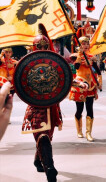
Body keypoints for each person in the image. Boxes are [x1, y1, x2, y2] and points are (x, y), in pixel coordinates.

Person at [21, 24, 62, 182]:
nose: (43, 48)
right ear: (34, 47)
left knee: (47, 137)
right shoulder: (25, 65)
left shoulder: (54, 63)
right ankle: (49, 169)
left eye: (45, 45)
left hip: (51, 106)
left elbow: (62, 78)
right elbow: (18, 83)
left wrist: (78, 83)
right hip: (35, 107)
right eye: (39, 46)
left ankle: (38, 160)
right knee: (43, 136)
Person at [69, 35, 102, 142]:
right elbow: (76, 67)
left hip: (91, 84)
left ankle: (89, 133)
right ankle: (79, 131)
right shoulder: (76, 56)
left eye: (87, 43)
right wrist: (79, 55)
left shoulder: (92, 57)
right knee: (79, 109)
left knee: (90, 108)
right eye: (83, 44)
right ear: (80, 45)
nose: (86, 45)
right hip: (80, 84)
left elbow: (98, 70)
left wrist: (99, 81)